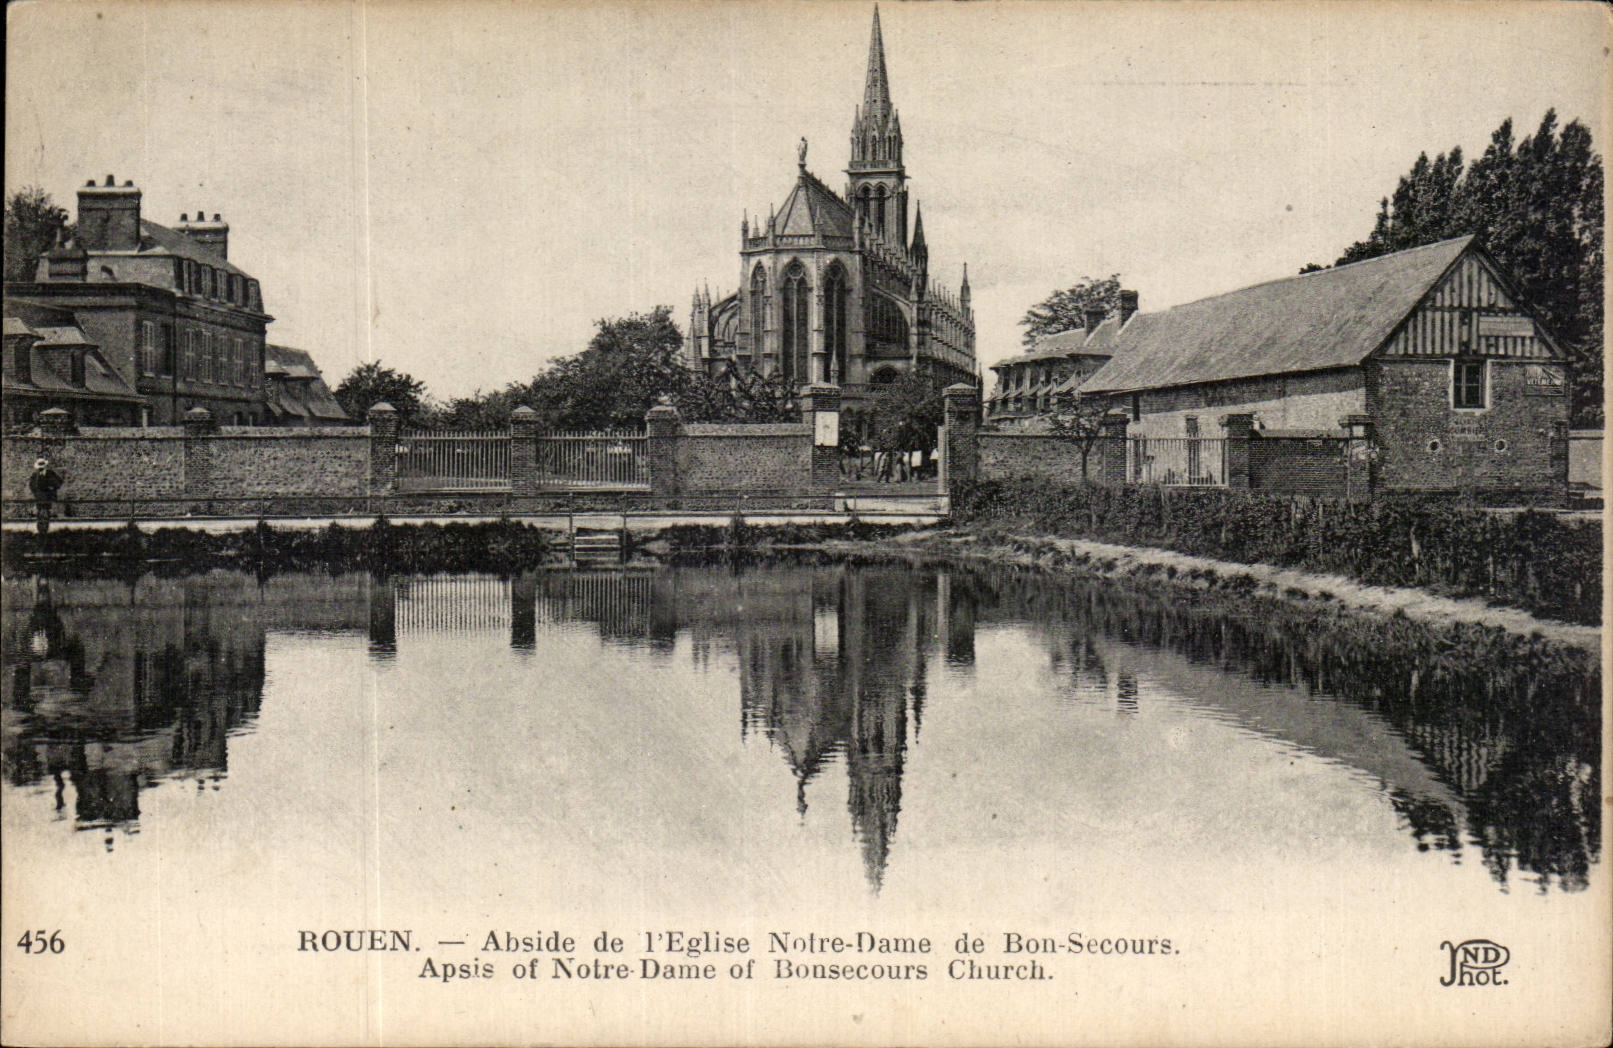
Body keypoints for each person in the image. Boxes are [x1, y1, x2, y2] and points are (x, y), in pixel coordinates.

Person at [29, 457, 63, 535]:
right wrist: (35, 491)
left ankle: (46, 528)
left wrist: (53, 487)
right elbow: (31, 484)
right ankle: (40, 529)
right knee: (40, 512)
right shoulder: (35, 475)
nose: (41, 469)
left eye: (42, 468)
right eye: (39, 468)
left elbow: (59, 482)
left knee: (47, 512)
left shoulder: (50, 473)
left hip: (48, 496)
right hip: (39, 497)